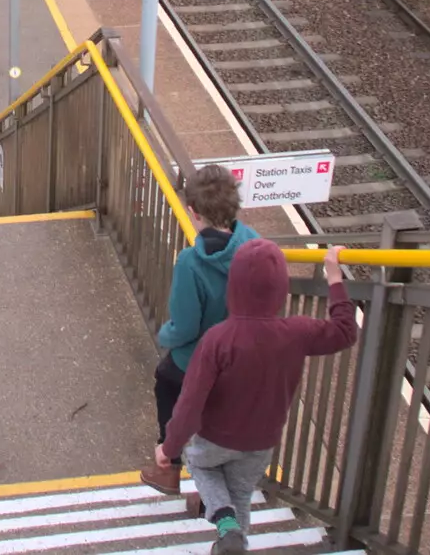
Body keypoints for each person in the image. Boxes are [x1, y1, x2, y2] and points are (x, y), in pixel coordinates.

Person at [155, 242, 358, 555]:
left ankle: (226, 525)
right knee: (240, 494)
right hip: (261, 442)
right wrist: (334, 277)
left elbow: (190, 404)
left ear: (234, 286)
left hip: (215, 438)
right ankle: (234, 539)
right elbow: (345, 332)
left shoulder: (218, 339)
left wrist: (169, 447)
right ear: (280, 288)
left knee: (200, 465)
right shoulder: (297, 331)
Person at [140, 166, 259, 496]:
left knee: (166, 381)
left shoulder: (192, 262)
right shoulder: (255, 245)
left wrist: (165, 335)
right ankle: (217, 495)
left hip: (202, 359)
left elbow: (185, 327)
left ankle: (169, 466)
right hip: (244, 357)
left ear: (193, 213)